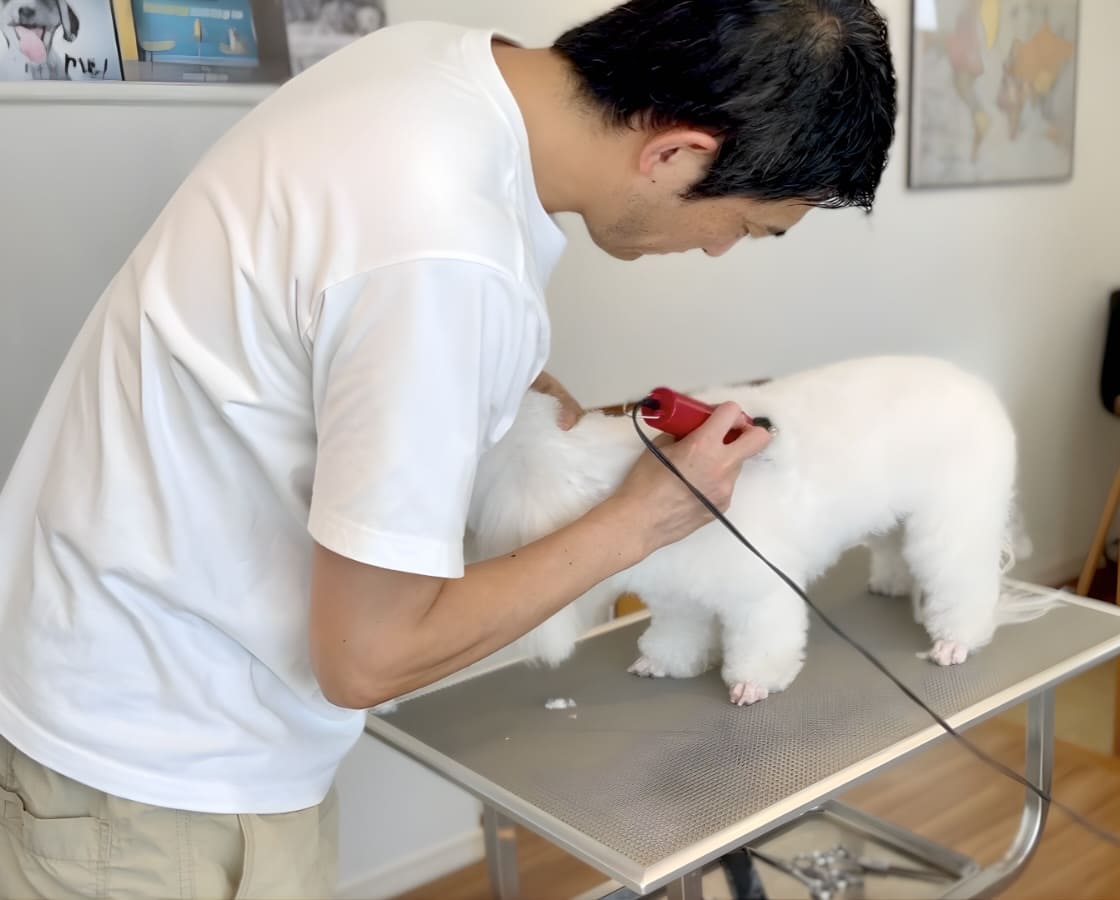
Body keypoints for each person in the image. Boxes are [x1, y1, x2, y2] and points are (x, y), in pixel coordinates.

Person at [0, 0, 896, 895]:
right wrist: (642, 521)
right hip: (160, 779)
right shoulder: (446, 258)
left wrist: (510, 388)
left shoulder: (424, 67)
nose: (720, 251)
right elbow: (369, 657)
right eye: (745, 226)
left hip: (94, 674)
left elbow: (336, 317)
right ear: (674, 153)